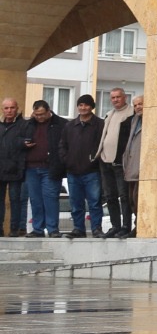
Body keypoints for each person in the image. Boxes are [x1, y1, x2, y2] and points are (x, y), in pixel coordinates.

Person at [60, 95, 105, 239]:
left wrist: (95, 161)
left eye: (86, 105)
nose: (83, 108)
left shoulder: (100, 124)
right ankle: (78, 229)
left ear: (92, 107)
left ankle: (96, 228)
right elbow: (62, 145)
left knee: (94, 202)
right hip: (73, 172)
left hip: (92, 171)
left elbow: (103, 145)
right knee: (76, 203)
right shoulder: (70, 125)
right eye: (80, 105)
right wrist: (67, 160)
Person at [94, 88, 136, 239]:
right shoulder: (109, 114)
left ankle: (126, 226)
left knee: (124, 196)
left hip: (121, 162)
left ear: (125, 97)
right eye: (113, 97)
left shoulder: (132, 113)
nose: (115, 100)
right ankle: (115, 226)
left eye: (118, 97)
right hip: (105, 160)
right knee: (110, 196)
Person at [22, 101, 66, 237]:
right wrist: (23, 144)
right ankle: (37, 229)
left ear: (49, 111)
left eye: (42, 114)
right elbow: (18, 140)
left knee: (50, 199)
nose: (39, 117)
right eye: (36, 114)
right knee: (35, 200)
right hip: (31, 168)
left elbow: (65, 145)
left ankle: (52, 229)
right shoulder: (29, 124)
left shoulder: (61, 124)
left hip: (50, 168)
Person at [0, 99, 28, 236]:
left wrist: (21, 143)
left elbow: (29, 141)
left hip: (16, 170)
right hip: (0, 169)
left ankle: (14, 229)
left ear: (17, 108)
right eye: (6, 108)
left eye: (12, 107)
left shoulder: (24, 125)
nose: (9, 110)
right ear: (2, 109)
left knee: (15, 200)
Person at [123, 96, 143, 237]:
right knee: (131, 200)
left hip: (142, 168)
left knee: (138, 200)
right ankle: (136, 227)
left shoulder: (150, 120)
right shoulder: (134, 121)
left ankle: (139, 227)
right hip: (131, 167)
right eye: (135, 105)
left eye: (141, 104)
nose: (138, 107)